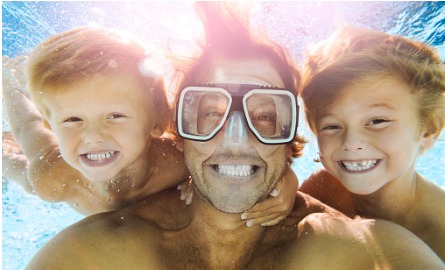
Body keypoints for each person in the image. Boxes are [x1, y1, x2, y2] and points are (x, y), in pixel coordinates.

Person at [25, 3, 444, 269]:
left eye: (265, 116)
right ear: (178, 132)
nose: (237, 136)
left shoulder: (368, 253)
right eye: (209, 112)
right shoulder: (90, 256)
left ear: (291, 137)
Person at [2, 26, 298, 226]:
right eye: (72, 120)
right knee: (27, 161)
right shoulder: (53, 178)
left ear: (158, 122)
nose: (92, 136)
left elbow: (243, 157)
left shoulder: (177, 161)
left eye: (115, 116)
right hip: (53, 171)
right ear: (54, 125)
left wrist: (286, 182)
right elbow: (31, 127)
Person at [299, 26, 445, 260]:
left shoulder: (439, 234)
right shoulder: (322, 188)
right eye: (332, 126)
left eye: (377, 121)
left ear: (428, 129)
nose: (351, 143)